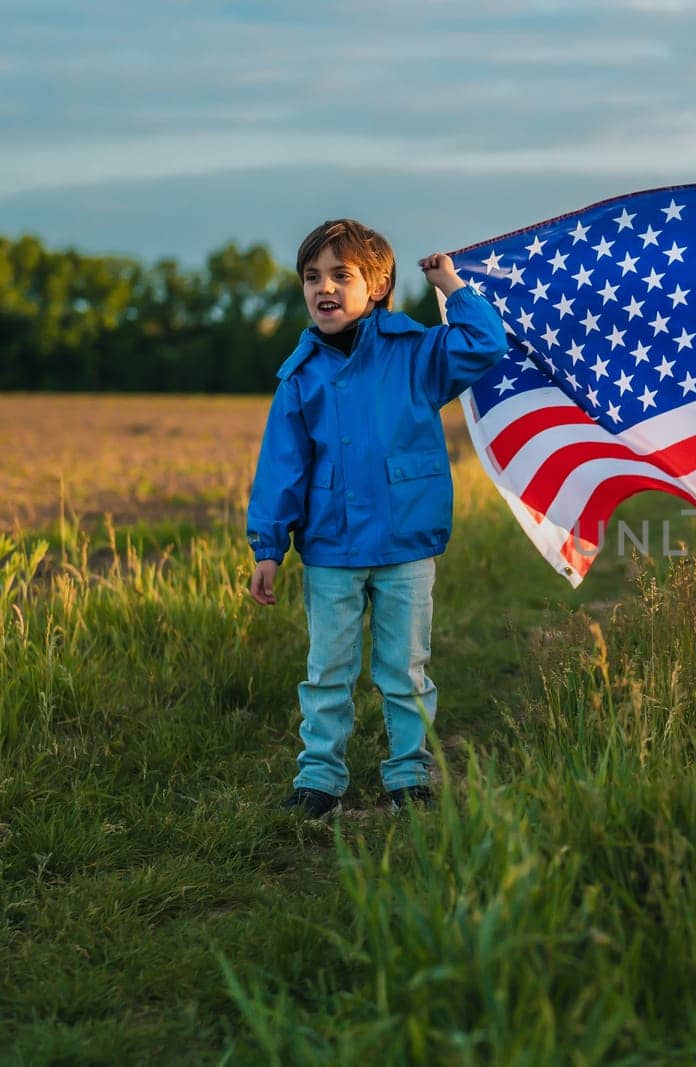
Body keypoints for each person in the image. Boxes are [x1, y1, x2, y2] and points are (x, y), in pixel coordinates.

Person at [247, 218, 505, 819]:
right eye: (312, 277)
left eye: (342, 274)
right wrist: (267, 546)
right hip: (330, 551)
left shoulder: (416, 354)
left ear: (379, 284)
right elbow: (281, 467)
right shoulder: (300, 375)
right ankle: (318, 781)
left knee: (403, 670)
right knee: (327, 672)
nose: (325, 288)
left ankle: (410, 778)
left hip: (404, 545)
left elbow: (484, 342)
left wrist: (452, 287)